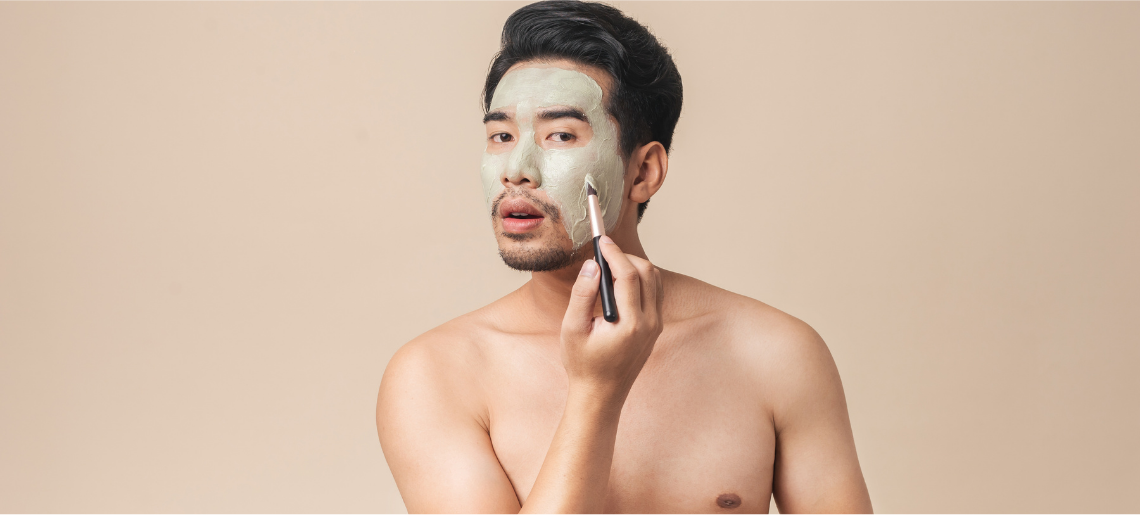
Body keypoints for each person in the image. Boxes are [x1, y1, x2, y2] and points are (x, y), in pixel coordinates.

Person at [376, 1, 872, 512]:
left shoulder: (775, 353)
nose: (516, 171)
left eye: (561, 136)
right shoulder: (435, 374)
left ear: (643, 172)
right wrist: (596, 394)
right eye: (501, 136)